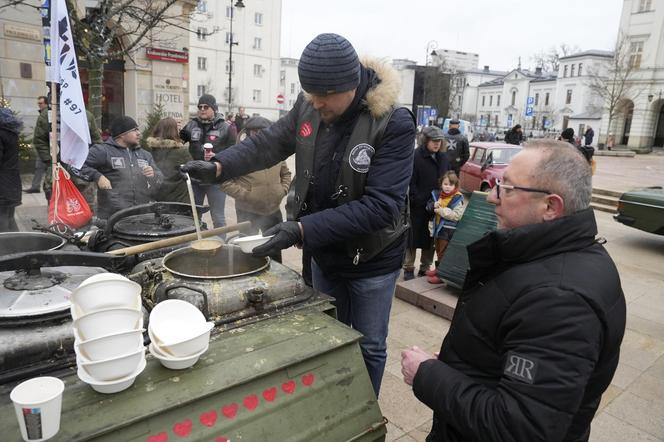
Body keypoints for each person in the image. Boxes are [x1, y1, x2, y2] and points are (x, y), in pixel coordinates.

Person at [182, 33, 416, 397]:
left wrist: (301, 229)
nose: (316, 103)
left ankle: (362, 407)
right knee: (325, 332)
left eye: (324, 96)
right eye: (311, 93)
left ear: (351, 84)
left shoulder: (392, 122)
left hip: (372, 256)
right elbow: (268, 143)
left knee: (369, 343)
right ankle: (331, 400)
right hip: (325, 249)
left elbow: (381, 207)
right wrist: (218, 168)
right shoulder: (309, 105)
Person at [400, 140, 626, 441]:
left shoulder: (559, 301)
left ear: (550, 206)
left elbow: (522, 427)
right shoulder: (553, 257)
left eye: (506, 188)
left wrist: (427, 375)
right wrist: (464, 359)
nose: (492, 197)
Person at [221, 116, 291, 262]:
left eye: (263, 131)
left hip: (273, 210)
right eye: (255, 131)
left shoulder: (276, 152)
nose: (259, 134)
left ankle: (276, 280)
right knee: (247, 252)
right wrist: (245, 194)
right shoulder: (238, 152)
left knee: (275, 250)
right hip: (247, 212)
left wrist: (282, 190)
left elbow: (286, 173)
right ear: (248, 132)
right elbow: (224, 180)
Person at [81, 116, 163, 219]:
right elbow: (79, 167)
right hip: (113, 215)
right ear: (122, 134)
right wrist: (98, 177)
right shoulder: (102, 151)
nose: (139, 133)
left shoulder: (144, 154)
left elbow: (160, 178)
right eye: (134, 130)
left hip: (142, 213)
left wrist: (153, 174)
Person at [179, 94, 236, 228]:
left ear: (214, 109)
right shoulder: (192, 125)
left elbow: (234, 152)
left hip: (215, 179)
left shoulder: (225, 128)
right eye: (200, 107)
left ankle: (221, 246)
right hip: (195, 179)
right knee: (193, 216)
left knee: (218, 217)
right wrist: (174, 132)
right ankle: (194, 244)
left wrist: (217, 156)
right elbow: (177, 141)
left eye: (206, 107)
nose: (202, 109)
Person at [403, 125, 449, 280]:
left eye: (439, 141)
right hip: (418, 205)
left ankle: (425, 268)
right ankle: (409, 268)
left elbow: (448, 178)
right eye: (433, 141)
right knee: (413, 238)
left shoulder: (443, 157)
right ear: (426, 140)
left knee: (431, 238)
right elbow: (410, 181)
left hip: (436, 205)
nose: (437, 144)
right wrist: (416, 199)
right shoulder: (416, 156)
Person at [33, 101, 102, 203]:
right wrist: (49, 160)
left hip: (82, 169)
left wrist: (90, 161)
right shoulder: (47, 115)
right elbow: (39, 140)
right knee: (58, 205)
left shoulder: (86, 115)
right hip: (56, 167)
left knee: (85, 206)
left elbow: (96, 141)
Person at [425, 171, 465, 282]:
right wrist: (433, 205)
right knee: (438, 250)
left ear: (455, 186)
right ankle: (438, 269)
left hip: (448, 230)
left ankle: (442, 275)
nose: (447, 187)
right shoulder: (438, 195)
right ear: (441, 184)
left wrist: (442, 211)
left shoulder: (457, 198)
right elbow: (428, 207)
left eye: (451, 185)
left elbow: (457, 215)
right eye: (445, 184)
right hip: (437, 228)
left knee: (444, 252)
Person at [145, 117, 192, 204]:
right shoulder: (182, 151)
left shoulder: (150, 150)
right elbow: (192, 170)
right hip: (179, 199)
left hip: (158, 197)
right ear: (173, 132)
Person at [0, 108, 22, 232]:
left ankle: (7, 249)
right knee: (9, 217)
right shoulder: (12, 133)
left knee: (2, 220)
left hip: (2, 185)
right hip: (12, 183)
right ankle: (19, 245)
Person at [23, 96, 49, 194]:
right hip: (42, 146)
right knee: (39, 167)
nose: (39, 105)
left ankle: (39, 186)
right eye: (38, 103)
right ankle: (35, 186)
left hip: (45, 146)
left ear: (46, 103)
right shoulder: (43, 114)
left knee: (42, 167)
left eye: (41, 103)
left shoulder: (47, 113)